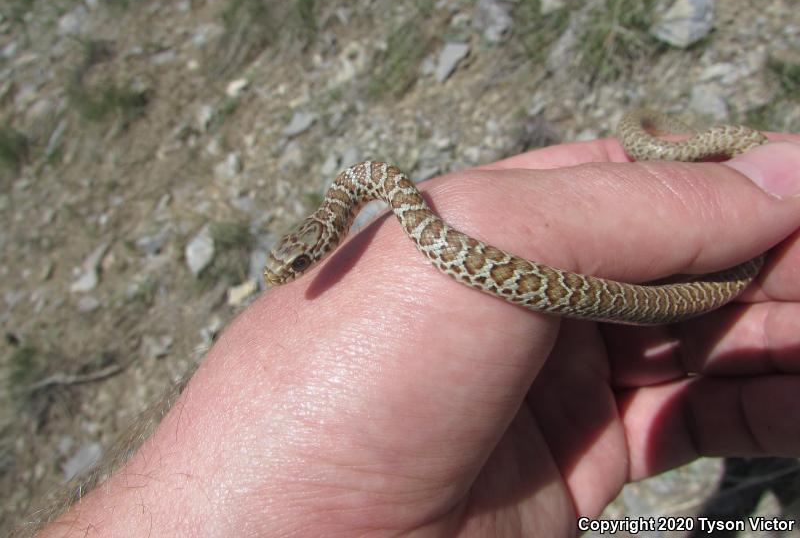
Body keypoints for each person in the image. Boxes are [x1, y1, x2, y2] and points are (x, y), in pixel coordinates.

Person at [37, 134, 800, 537]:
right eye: (299, 262)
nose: (302, 272)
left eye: (304, 260)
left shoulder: (403, 209)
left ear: (328, 236)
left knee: (729, 285)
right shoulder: (381, 209)